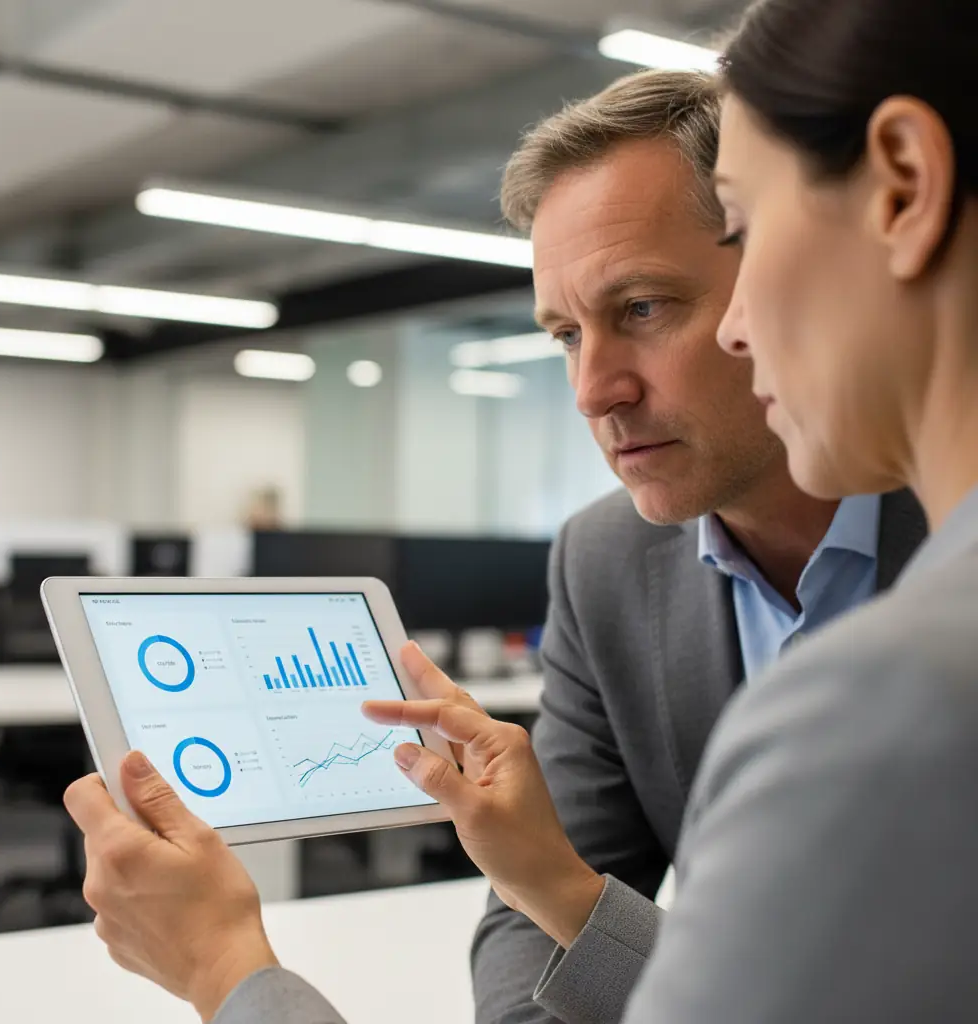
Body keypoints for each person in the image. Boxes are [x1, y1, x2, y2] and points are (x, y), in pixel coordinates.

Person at [61, 55, 951, 1024]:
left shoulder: (952, 559)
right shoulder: (605, 561)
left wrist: (230, 972)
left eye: (641, 308)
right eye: (566, 334)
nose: (593, 388)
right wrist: (556, 899)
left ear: (771, 281)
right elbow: (533, 904)